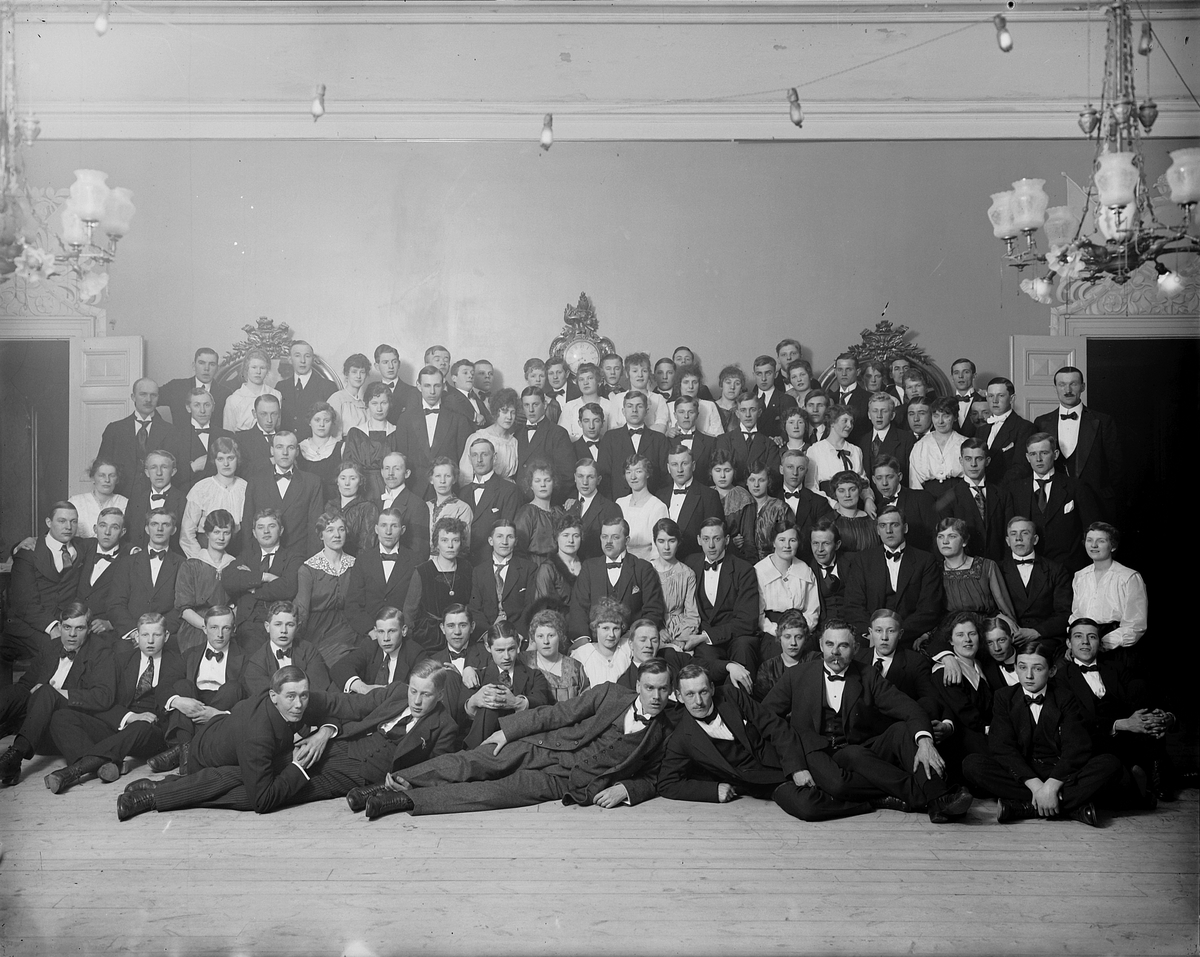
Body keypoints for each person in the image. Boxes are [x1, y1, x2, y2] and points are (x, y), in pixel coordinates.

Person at [358, 658, 677, 820]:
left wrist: (627, 789)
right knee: (473, 761)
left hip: (565, 782)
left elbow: (655, 778)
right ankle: (385, 785)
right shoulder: (610, 693)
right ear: (638, 686)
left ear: (670, 690)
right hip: (543, 746)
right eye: (650, 688)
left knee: (493, 793)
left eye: (663, 689)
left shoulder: (665, 732)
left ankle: (402, 799)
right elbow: (558, 714)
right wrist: (509, 731)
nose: (656, 696)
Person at [762, 619, 970, 822]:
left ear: (855, 648)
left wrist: (925, 741)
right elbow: (766, 716)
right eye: (830, 644)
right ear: (820, 645)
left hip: (859, 750)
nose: (835, 651)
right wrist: (793, 762)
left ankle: (937, 795)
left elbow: (909, 707)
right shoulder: (797, 676)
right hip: (817, 755)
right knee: (842, 778)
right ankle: (928, 797)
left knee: (900, 731)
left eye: (843, 646)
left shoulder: (868, 674)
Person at [115, 664, 344, 819]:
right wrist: (297, 767)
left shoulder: (288, 700)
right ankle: (153, 796)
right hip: (203, 760)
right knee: (244, 781)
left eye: (304, 696)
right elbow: (262, 802)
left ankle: (162, 785)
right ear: (274, 696)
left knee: (267, 771)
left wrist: (323, 733)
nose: (299, 704)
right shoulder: (258, 733)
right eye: (291, 697)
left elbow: (329, 712)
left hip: (224, 736)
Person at [961, 640, 1122, 827]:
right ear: (1016, 668)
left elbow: (1076, 747)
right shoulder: (1004, 697)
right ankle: (1068, 807)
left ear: (1051, 671)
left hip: (1059, 772)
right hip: (1025, 773)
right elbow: (1002, 748)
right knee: (972, 765)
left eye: (1037, 669)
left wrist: (1052, 785)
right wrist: (1037, 786)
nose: (1028, 675)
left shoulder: (1065, 698)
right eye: (1022, 667)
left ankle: (1026, 808)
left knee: (1110, 763)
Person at [660, 663, 831, 821]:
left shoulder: (731, 695)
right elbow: (667, 783)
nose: (698, 701)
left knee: (837, 784)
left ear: (712, 688)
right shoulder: (682, 738)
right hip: (765, 784)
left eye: (703, 692)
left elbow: (774, 726)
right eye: (690, 694)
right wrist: (713, 791)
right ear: (679, 696)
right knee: (808, 808)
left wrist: (797, 768)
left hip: (791, 756)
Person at [43, 612, 185, 792]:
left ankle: (73, 771)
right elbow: (104, 700)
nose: (150, 641)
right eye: (145, 635)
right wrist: (129, 716)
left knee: (141, 726)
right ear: (136, 636)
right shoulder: (121, 660)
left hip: (151, 732)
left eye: (156, 635)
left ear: (166, 636)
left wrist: (140, 720)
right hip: (120, 725)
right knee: (61, 717)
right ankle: (107, 765)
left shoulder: (177, 662)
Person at [0, 602, 117, 788]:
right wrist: (31, 693)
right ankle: (11, 763)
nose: (72, 634)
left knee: (47, 690)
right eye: (67, 627)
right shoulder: (51, 647)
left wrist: (58, 693)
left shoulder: (101, 651)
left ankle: (16, 754)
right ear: (60, 627)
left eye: (79, 628)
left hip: (64, 726)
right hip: (35, 722)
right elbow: (26, 684)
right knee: (13, 692)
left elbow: (104, 696)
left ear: (88, 629)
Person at [1058, 618, 1168, 809]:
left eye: (1092, 637)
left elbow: (1142, 697)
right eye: (1078, 637)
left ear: (1099, 643)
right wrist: (1119, 724)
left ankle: (1149, 770)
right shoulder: (1061, 677)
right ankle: (1138, 782)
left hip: (1129, 737)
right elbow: (1077, 721)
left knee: (1140, 687)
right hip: (1094, 740)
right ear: (1069, 643)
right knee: (1112, 770)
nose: (1085, 642)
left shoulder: (1115, 668)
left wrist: (1163, 718)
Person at [151, 604, 248, 768]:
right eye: (214, 627)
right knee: (182, 685)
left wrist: (219, 714)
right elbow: (163, 686)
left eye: (225, 628)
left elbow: (251, 697)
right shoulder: (190, 654)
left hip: (221, 711)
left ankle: (184, 751)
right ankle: (188, 750)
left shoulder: (244, 657)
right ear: (204, 628)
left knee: (234, 688)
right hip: (191, 705)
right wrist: (178, 702)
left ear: (234, 629)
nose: (219, 634)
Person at [2, 502, 85, 679]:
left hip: (64, 624)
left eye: (73, 521)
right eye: (62, 521)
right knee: (58, 652)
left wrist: (132, 549)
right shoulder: (28, 552)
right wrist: (53, 628)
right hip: (30, 625)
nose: (68, 527)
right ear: (48, 522)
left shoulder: (81, 547)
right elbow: (25, 604)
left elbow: (111, 542)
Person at [842, 506, 944, 647]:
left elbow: (928, 609)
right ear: (878, 530)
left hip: (909, 638)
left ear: (905, 528)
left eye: (894, 525)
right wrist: (873, 634)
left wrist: (897, 635)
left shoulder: (925, 561)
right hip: (870, 640)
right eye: (883, 526)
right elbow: (853, 605)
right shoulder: (862, 560)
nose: (888, 531)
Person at [1032, 366, 1123, 523]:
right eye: (1062, 384)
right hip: (1055, 503)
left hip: (1096, 502)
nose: (1068, 390)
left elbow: (1116, 468)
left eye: (1073, 384)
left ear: (1083, 387)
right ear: (1055, 388)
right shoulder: (1041, 422)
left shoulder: (1103, 421)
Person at [1002, 433, 1095, 572]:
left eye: (1044, 453)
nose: (1038, 459)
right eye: (1033, 454)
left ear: (1055, 454)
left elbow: (1091, 529)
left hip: (1069, 568)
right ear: (1027, 457)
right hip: (1030, 569)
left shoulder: (1076, 487)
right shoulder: (1014, 490)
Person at [684, 518, 760, 678]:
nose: (711, 545)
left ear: (727, 540)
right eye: (706, 539)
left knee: (744, 650)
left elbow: (747, 621)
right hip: (705, 639)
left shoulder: (744, 570)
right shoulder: (690, 564)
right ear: (699, 540)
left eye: (717, 539)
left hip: (737, 637)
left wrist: (705, 636)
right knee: (705, 667)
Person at [568, 518, 665, 640]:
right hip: (594, 642)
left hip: (632, 642)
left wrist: (633, 638)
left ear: (627, 540)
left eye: (615, 537)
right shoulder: (589, 568)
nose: (608, 542)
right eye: (604, 537)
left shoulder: (643, 569)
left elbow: (653, 611)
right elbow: (578, 609)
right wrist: (584, 641)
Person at [462, 620, 553, 749]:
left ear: (518, 644)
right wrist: (473, 701)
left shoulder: (534, 676)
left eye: (511, 649)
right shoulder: (476, 677)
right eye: (499, 650)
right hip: (485, 744)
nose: (506, 657)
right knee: (488, 702)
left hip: (521, 743)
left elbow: (542, 704)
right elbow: (459, 719)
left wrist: (516, 702)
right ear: (488, 648)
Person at [221, 509, 302, 651]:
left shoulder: (293, 557)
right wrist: (265, 577)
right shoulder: (246, 556)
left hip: (278, 624)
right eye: (260, 527)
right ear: (254, 533)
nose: (266, 531)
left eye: (271, 526)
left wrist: (251, 587)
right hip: (246, 624)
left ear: (281, 530)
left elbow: (288, 588)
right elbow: (228, 579)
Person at [1070, 522, 1147, 662]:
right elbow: (1076, 615)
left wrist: (1102, 644)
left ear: (1113, 546)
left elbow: (1135, 625)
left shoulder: (1128, 577)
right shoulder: (1080, 576)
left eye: (1101, 541)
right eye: (1089, 540)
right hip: (1084, 643)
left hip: (1116, 645)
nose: (1093, 545)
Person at [241, 430, 324, 557]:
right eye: (279, 447)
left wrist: (311, 562)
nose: (285, 453)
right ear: (272, 450)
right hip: (262, 557)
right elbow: (247, 524)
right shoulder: (255, 481)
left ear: (297, 451)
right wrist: (250, 558)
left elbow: (315, 528)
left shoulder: (312, 482)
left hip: (298, 557)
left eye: (290, 447)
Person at [98, 377, 186, 497]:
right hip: (120, 497)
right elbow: (102, 467)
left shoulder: (171, 432)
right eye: (143, 394)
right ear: (133, 397)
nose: (148, 399)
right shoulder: (114, 430)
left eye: (153, 395)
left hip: (156, 499)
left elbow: (179, 472)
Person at [294, 509, 361, 666]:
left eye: (341, 529)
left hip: (351, 626)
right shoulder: (308, 569)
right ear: (321, 535)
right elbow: (302, 610)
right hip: (318, 630)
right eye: (330, 530)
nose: (337, 535)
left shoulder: (356, 565)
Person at [343, 507, 421, 640]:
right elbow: (352, 605)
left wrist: (403, 631)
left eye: (394, 526)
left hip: (403, 635)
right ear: (376, 529)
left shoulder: (415, 560)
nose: (388, 532)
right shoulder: (363, 560)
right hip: (369, 634)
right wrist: (370, 631)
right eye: (383, 525)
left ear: (402, 530)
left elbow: (418, 605)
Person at [395, 365, 472, 498]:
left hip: (448, 490)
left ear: (443, 386)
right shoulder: (405, 419)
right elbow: (402, 456)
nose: (432, 391)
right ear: (418, 386)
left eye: (436, 386)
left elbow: (463, 460)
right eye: (427, 386)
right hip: (414, 490)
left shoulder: (458, 419)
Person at [108, 508, 185, 640]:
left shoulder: (183, 564)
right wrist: (135, 633)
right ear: (147, 529)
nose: (159, 529)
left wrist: (159, 633)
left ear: (173, 530)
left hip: (166, 637)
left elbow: (182, 607)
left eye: (165, 524)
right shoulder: (127, 563)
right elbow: (116, 604)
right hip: (131, 636)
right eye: (154, 524)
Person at [930, 612, 994, 770]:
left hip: (986, 731)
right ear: (950, 640)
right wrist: (990, 729)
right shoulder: (945, 671)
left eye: (972, 634)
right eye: (960, 635)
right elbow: (964, 712)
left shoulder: (979, 664)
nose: (967, 640)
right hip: (965, 740)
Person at [404, 516, 473, 655]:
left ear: (461, 542)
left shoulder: (467, 568)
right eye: (444, 540)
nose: (450, 546)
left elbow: (474, 603)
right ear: (436, 543)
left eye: (455, 540)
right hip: (429, 637)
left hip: (460, 634)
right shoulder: (423, 571)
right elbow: (409, 611)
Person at [173, 509, 237, 656]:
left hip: (226, 629)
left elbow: (239, 603)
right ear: (207, 534)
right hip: (196, 629)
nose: (221, 537)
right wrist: (208, 627)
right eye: (216, 532)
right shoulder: (191, 565)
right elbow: (184, 609)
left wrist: (224, 627)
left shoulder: (235, 565)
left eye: (226, 533)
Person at [935, 517, 1017, 631]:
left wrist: (1009, 623)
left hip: (985, 628)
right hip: (951, 630)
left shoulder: (986, 566)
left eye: (952, 536)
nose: (945, 541)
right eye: (940, 536)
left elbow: (1004, 605)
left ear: (964, 541)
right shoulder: (934, 570)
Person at [755, 519, 820, 653]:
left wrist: (801, 631)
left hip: (801, 629)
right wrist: (778, 632)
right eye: (782, 540)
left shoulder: (805, 570)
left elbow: (812, 610)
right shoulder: (759, 571)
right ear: (773, 542)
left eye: (792, 540)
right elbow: (759, 615)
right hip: (771, 632)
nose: (787, 545)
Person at [241, 600, 332, 696]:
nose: (283, 630)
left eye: (290, 625)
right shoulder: (257, 662)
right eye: (278, 624)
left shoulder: (309, 650)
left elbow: (318, 687)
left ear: (297, 628)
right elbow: (264, 697)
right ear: (267, 627)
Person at [330, 606, 424, 697]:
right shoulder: (371, 647)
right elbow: (340, 667)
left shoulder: (416, 654)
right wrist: (363, 688)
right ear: (375, 631)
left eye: (391, 631)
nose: (386, 638)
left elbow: (422, 688)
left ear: (403, 630)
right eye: (381, 632)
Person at [467, 519, 537, 639]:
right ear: (490, 541)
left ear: (516, 541)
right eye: (499, 536)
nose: (504, 542)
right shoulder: (479, 571)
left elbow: (530, 606)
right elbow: (475, 607)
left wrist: (518, 635)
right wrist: (488, 634)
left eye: (510, 537)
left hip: (518, 635)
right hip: (488, 635)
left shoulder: (528, 568)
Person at [180, 437, 247, 560]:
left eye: (230, 458)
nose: (226, 464)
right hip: (206, 554)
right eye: (220, 459)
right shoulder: (201, 488)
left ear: (238, 459)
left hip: (239, 554)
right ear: (214, 460)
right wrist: (203, 561)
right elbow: (186, 534)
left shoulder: (245, 488)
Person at [656, 445, 725, 562]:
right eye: (674, 464)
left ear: (693, 466)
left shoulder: (709, 496)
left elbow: (714, 537)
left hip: (694, 564)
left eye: (684, 463)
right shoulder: (659, 495)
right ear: (668, 468)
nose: (679, 470)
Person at [942, 438, 1006, 562]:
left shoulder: (1002, 494)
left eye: (979, 459)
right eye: (968, 459)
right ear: (961, 461)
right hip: (964, 565)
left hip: (998, 564)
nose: (973, 464)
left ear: (987, 461)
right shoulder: (949, 498)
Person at [461, 437, 523, 563]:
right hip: (464, 562)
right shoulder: (462, 492)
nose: (479, 460)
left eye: (484, 454)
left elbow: (508, 532)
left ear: (494, 458)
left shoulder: (509, 490)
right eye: (474, 455)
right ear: (470, 459)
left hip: (492, 562)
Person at [599, 391, 669, 501]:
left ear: (646, 411)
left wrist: (657, 502)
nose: (634, 410)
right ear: (623, 411)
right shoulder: (610, 438)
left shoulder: (659, 439)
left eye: (639, 406)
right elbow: (604, 476)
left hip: (651, 501)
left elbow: (665, 476)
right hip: (617, 502)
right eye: (630, 406)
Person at [341, 381, 402, 500]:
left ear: (389, 404)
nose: (379, 408)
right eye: (374, 403)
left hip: (391, 488)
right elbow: (348, 467)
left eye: (383, 403)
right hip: (362, 490)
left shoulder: (397, 432)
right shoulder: (356, 433)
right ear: (367, 405)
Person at [76, 507, 132, 631]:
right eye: (103, 526)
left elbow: (134, 601)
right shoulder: (84, 547)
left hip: (105, 629)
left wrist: (111, 623)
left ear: (122, 532)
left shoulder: (130, 558)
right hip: (75, 624)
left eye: (114, 527)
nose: (107, 532)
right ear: (95, 529)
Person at [650, 518, 702, 652]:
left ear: (678, 542)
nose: (666, 547)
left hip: (680, 631)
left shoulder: (687, 574)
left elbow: (692, 614)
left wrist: (682, 638)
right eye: (661, 541)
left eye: (671, 541)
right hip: (651, 629)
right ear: (655, 542)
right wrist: (657, 629)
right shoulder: (646, 570)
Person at [516, 388, 575, 502]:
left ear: (545, 405)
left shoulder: (558, 433)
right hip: (519, 501)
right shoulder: (517, 433)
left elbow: (567, 475)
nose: (531, 410)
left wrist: (549, 500)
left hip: (548, 501)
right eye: (526, 405)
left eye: (535, 404)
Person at [521, 607, 591, 703]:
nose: (546, 641)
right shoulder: (523, 661)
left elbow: (586, 702)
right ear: (533, 638)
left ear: (560, 636)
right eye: (540, 636)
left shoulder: (575, 668)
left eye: (551, 636)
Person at [122, 449, 187, 552]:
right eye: (153, 467)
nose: (159, 473)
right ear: (147, 472)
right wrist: (133, 550)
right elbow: (125, 534)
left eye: (164, 467)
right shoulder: (135, 501)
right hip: (138, 558)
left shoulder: (184, 500)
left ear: (173, 471)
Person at [804, 404, 870, 505]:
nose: (849, 425)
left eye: (851, 422)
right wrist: (834, 504)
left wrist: (868, 500)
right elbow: (811, 486)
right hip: (826, 506)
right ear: (832, 423)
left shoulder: (856, 450)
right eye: (845, 421)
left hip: (854, 505)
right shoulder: (815, 450)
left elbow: (863, 482)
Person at [869, 456, 938, 552]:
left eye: (889, 477)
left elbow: (936, 534)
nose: (884, 483)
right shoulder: (877, 508)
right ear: (873, 480)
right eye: (879, 478)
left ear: (899, 476)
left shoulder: (921, 498)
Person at [157, 347, 231, 433]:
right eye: (201, 363)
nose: (206, 368)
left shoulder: (226, 394)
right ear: (193, 365)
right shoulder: (176, 387)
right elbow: (147, 401)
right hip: (180, 440)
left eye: (212, 364)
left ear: (217, 368)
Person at [713, 391, 781, 485]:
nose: (748, 415)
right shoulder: (724, 440)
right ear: (737, 413)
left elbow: (772, 477)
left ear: (759, 412)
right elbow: (722, 473)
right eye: (743, 410)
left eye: (752, 409)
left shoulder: (769, 445)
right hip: (733, 491)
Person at [908, 396, 966, 505]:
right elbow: (915, 483)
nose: (940, 421)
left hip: (959, 498)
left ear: (955, 417)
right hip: (928, 499)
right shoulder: (920, 446)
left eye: (946, 416)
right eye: (936, 416)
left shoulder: (964, 444)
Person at [564, 457, 623, 561]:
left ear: (598, 480)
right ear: (575, 478)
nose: (585, 482)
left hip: (597, 567)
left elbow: (615, 547)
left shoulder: (610, 508)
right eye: (580, 476)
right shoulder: (568, 507)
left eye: (590, 477)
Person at [276, 340, 336, 439]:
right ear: (290, 359)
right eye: (297, 356)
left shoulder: (328, 387)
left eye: (307, 356)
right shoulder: (281, 387)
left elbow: (332, 424)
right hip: (287, 446)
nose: (302, 361)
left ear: (312, 359)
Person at [459, 387, 520, 484]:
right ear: (495, 412)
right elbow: (465, 476)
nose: (509, 417)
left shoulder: (513, 442)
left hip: (508, 490)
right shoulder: (478, 437)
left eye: (512, 413)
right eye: (504, 411)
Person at [616, 454, 670, 562]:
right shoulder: (620, 503)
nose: (633, 477)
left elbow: (658, 550)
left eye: (638, 471)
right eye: (628, 472)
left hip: (646, 566)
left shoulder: (658, 507)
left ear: (647, 474)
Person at [176, 386, 233, 486]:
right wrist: (192, 467)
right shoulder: (175, 437)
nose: (202, 410)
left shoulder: (227, 436)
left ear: (213, 407)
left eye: (207, 405)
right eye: (197, 405)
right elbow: (169, 475)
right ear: (188, 408)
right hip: (189, 493)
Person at [571, 597, 634, 687]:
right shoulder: (582, 655)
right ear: (596, 627)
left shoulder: (628, 648)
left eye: (616, 629)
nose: (611, 634)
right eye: (605, 628)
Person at [735, 463, 790, 563]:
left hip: (773, 564)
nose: (756, 485)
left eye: (761, 480)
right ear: (746, 482)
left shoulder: (780, 508)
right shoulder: (740, 507)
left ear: (769, 481)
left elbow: (788, 539)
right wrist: (735, 541)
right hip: (744, 565)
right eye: (752, 480)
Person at [377, 451, 430, 555]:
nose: (390, 473)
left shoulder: (417, 505)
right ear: (382, 472)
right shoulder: (375, 502)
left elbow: (420, 550)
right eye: (387, 468)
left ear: (407, 473)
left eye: (396, 469)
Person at [753, 610, 812, 702]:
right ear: (779, 637)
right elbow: (762, 704)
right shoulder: (767, 667)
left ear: (806, 638)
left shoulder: (814, 662)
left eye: (798, 637)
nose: (793, 643)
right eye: (787, 637)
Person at [514, 460, 564, 563]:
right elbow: (518, 550)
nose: (543, 485)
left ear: (554, 483)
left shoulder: (559, 512)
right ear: (530, 485)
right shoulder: (527, 513)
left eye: (547, 480)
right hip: (534, 567)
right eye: (537, 481)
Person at [856, 392, 913, 483]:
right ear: (869, 415)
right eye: (875, 411)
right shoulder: (862, 441)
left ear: (892, 415)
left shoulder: (906, 439)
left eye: (884, 411)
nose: (879, 415)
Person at [68, 458, 128, 541]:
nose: (107, 480)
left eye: (112, 475)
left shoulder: (125, 503)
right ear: (93, 478)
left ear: (117, 479)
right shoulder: (75, 502)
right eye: (101, 475)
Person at [807, 518, 853, 625]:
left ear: (837, 545)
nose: (820, 549)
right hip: (822, 627)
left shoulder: (853, 562)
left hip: (852, 624)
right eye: (815, 543)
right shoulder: (806, 567)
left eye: (826, 543)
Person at [222, 350, 281, 433]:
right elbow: (228, 432)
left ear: (267, 370)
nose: (258, 372)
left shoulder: (276, 395)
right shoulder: (234, 399)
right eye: (254, 367)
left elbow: (278, 427)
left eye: (262, 368)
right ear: (246, 369)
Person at [328, 461, 379, 556]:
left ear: (360, 481)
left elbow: (367, 547)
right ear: (337, 481)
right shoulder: (329, 506)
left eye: (352, 478)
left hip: (357, 561)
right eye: (343, 478)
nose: (347, 483)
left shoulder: (368, 508)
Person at [534, 514, 584, 610]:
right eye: (565, 535)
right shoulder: (547, 569)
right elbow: (545, 609)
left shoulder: (587, 565)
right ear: (556, 537)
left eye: (576, 536)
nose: (571, 540)